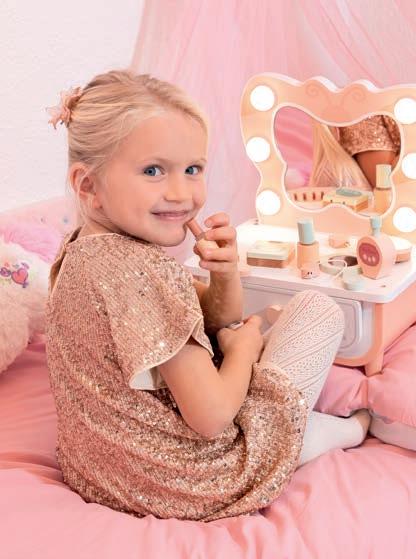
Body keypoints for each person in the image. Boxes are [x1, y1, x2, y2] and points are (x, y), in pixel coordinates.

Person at [45, 69, 371, 522]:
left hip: (102, 474)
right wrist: (243, 351)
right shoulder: (144, 271)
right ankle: (320, 434)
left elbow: (217, 319)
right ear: (88, 186)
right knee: (318, 310)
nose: (181, 193)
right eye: (153, 171)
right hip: (194, 481)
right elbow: (213, 416)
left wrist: (224, 273)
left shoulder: (81, 249)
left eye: (193, 169)